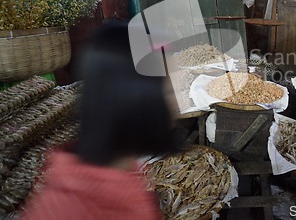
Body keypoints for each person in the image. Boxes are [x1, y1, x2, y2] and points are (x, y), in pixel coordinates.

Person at [21, 22, 180, 220]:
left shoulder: (105, 173)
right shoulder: (95, 205)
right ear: (138, 99)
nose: (178, 103)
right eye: (170, 91)